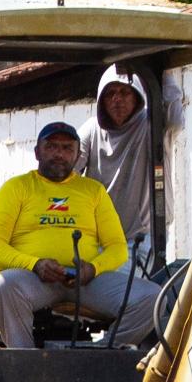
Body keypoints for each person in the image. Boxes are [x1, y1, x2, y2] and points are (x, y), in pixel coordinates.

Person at [0, 121, 159, 350]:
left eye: (67, 148)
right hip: (34, 279)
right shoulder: (16, 188)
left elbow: (117, 247)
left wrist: (93, 269)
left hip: (85, 280)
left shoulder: (93, 191)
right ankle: (24, 360)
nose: (59, 154)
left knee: (152, 297)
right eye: (52, 146)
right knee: (1, 287)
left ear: (77, 155)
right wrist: (35, 264)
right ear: (37, 152)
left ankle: (101, 353)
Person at [82, 65, 160, 271]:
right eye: (111, 94)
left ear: (136, 96)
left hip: (137, 239)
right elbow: (66, 165)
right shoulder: (92, 130)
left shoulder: (149, 124)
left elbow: (175, 117)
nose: (118, 99)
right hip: (96, 239)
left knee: (115, 290)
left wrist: (163, 69)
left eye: (125, 92)